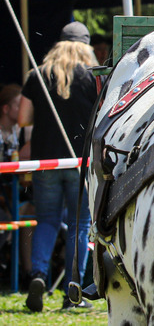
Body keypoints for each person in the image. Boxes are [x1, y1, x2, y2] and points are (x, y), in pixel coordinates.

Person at [19, 22, 97, 312]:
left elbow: (23, 119)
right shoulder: (92, 77)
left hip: (46, 161)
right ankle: (72, 292)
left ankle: (38, 274)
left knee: (47, 220)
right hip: (81, 162)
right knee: (79, 225)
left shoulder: (37, 76)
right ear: (85, 46)